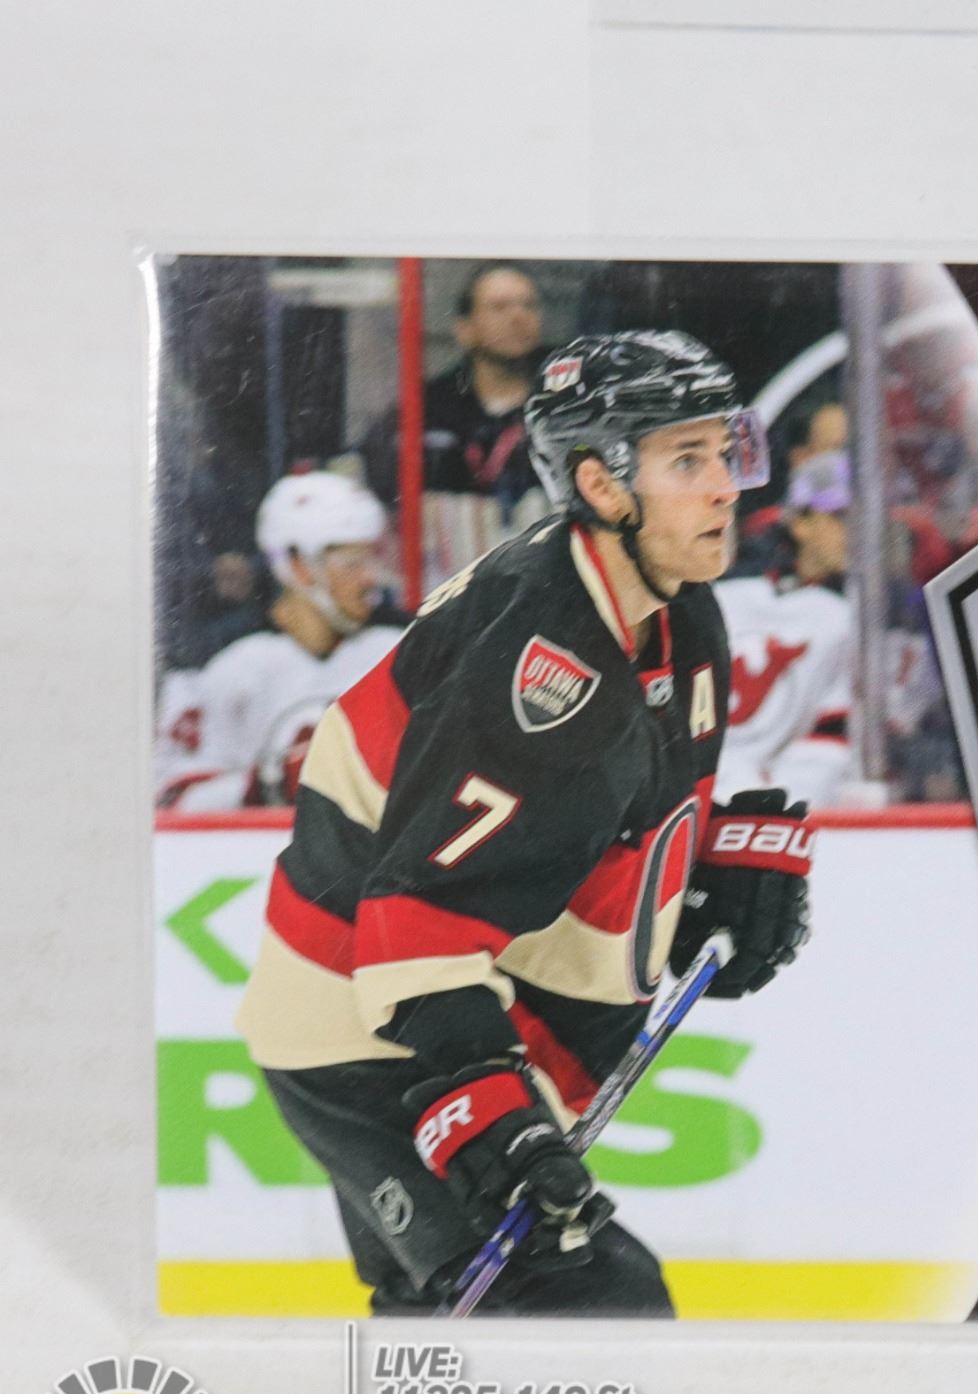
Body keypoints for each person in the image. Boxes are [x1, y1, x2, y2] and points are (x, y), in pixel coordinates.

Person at [235, 331, 813, 1317]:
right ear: (600, 483)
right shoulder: (539, 661)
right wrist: (488, 1110)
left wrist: (697, 874)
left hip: (453, 1008)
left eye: (728, 452)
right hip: (365, 1030)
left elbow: (586, 822)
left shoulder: (675, 611)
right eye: (688, 460)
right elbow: (415, 925)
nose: (727, 487)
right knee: (587, 1305)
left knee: (444, 1319)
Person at [154, 473, 403, 810]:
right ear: (299, 566)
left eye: (373, 560)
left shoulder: (400, 649)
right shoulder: (229, 666)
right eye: (352, 564)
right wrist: (269, 783)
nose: (370, 578)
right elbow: (172, 800)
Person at [714, 449, 854, 805]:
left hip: (798, 801)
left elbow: (831, 743)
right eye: (841, 517)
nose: (856, 532)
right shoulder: (727, 594)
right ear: (800, 523)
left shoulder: (868, 615)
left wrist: (773, 801)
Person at [360, 262, 550, 523]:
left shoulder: (561, 402)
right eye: (499, 307)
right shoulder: (429, 406)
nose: (518, 317)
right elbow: (380, 487)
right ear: (464, 329)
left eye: (529, 306)